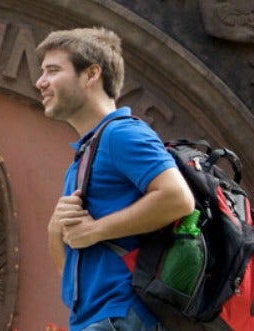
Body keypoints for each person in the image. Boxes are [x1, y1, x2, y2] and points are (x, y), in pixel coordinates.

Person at [35, 27, 195, 331]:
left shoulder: (122, 134)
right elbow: (75, 276)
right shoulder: (86, 154)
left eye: (52, 70)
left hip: (124, 316)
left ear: (91, 74)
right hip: (96, 318)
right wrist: (56, 231)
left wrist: (95, 230)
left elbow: (177, 198)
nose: (40, 82)